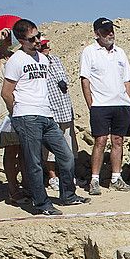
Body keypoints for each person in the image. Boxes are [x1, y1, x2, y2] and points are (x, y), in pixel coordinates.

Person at [1, 18, 88, 216]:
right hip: (27, 116)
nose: (37, 41)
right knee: (34, 162)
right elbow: (6, 92)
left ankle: (68, 195)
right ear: (22, 41)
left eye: (38, 36)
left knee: (66, 155)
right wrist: (17, 112)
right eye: (32, 39)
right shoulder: (16, 60)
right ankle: (41, 204)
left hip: (47, 115)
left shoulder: (42, 58)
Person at [80, 17, 130, 195]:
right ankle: (94, 179)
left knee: (118, 140)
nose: (110, 33)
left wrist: (129, 102)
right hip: (100, 105)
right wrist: (91, 104)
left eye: (112, 30)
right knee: (100, 141)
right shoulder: (89, 52)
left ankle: (116, 178)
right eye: (105, 31)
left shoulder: (120, 53)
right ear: (97, 34)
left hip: (121, 104)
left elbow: (127, 79)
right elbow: (85, 79)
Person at [0, 25, 26, 206]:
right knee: (11, 149)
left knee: (24, 149)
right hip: (4, 110)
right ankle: (13, 189)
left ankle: (26, 184)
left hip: (20, 105)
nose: (9, 38)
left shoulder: (14, 57)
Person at [40, 36, 79, 193]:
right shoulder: (37, 63)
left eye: (46, 44)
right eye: (43, 45)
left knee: (68, 145)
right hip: (49, 110)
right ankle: (53, 177)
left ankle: (67, 176)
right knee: (49, 149)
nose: (46, 47)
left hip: (64, 108)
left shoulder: (55, 60)